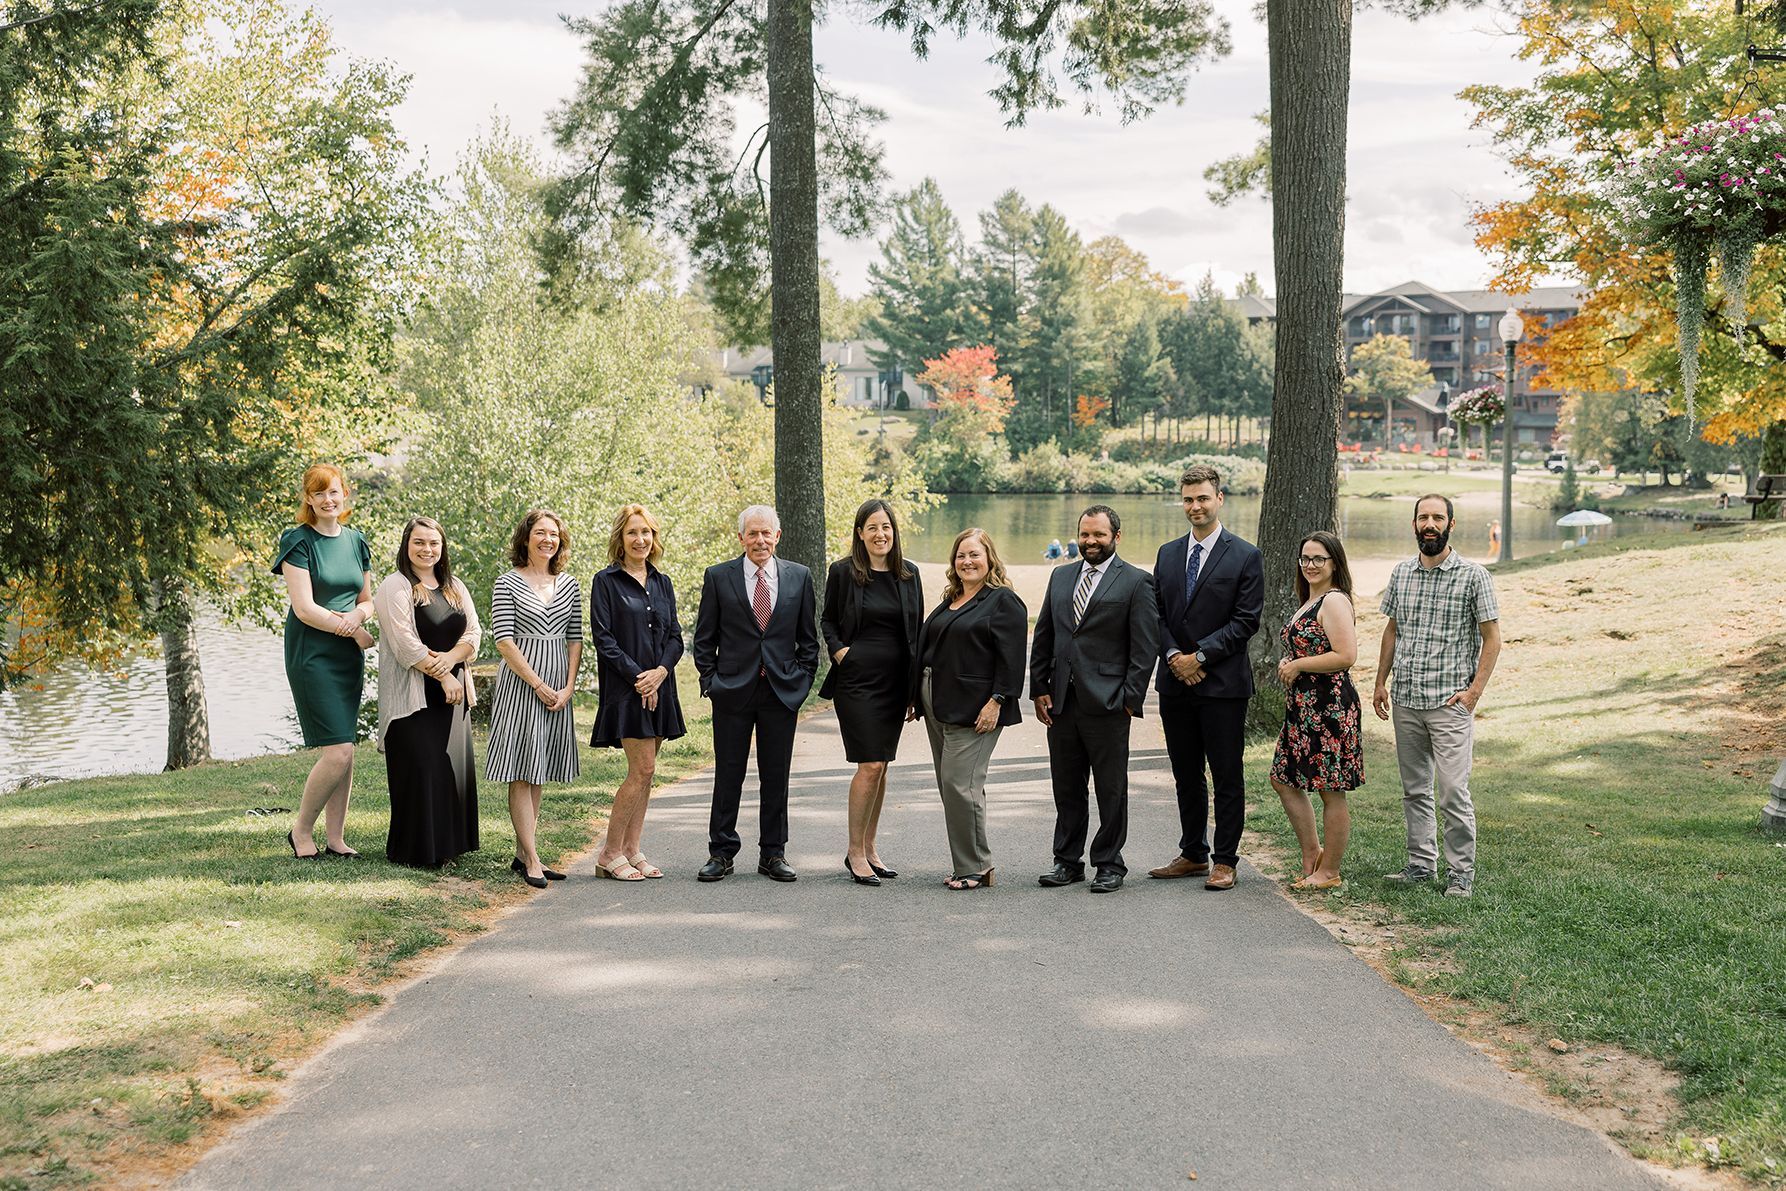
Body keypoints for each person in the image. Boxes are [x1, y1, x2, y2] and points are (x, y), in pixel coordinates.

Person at [1375, 494, 1502, 899]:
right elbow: (1392, 630)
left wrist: (1474, 693)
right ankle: (1420, 864)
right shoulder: (1401, 573)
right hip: (1407, 698)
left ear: (1451, 524)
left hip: (1449, 704)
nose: (1430, 524)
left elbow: (1492, 638)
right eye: (1423, 517)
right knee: (1414, 789)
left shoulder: (1473, 576)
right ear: (1414, 524)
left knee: (1451, 790)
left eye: (1437, 517)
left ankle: (1460, 873)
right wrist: (1381, 682)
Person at [1030, 505, 1158, 894]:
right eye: (1085, 535)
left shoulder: (1137, 582)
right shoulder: (1061, 576)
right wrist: (1039, 689)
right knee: (1066, 787)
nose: (1090, 542)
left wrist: (1129, 700)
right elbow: (1045, 636)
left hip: (1109, 703)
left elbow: (1145, 646)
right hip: (1062, 701)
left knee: (1110, 787)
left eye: (1099, 535)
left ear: (1116, 537)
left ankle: (1109, 863)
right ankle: (1067, 862)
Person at [1149, 464, 1264, 892]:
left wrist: (1200, 656)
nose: (1195, 506)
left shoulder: (1245, 555)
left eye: (1202, 498)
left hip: (1222, 684)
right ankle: (1193, 853)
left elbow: (1245, 621)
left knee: (1226, 773)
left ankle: (1225, 860)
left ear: (1219, 499)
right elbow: (1155, 614)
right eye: (1188, 499)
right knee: (1185, 772)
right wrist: (1176, 655)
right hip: (1175, 680)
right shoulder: (1167, 553)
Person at [692, 505, 819, 883]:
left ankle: (773, 853)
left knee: (775, 775)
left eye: (767, 534)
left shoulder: (799, 577)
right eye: (753, 534)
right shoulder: (718, 577)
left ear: (777, 537)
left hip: (781, 692)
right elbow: (704, 639)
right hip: (731, 691)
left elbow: (808, 642)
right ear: (741, 538)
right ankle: (721, 852)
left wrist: (801, 681)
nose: (760, 540)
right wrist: (712, 682)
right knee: (728, 773)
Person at [272, 464, 375, 860]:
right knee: (338, 751)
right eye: (319, 494)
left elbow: (366, 600)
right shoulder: (298, 541)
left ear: (344, 494)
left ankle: (336, 838)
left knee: (345, 747)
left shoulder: (356, 541)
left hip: (346, 655)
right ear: (308, 500)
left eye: (334, 492)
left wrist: (359, 620)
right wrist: (350, 629)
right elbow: (304, 609)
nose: (328, 500)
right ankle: (300, 831)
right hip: (312, 652)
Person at [915, 528, 1026, 890]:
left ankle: (977, 866)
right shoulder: (952, 598)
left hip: (976, 708)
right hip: (937, 701)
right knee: (952, 786)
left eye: (975, 555)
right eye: (961, 555)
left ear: (990, 558)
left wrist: (997, 701)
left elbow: (1012, 660)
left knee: (960, 784)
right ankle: (967, 862)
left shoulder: (1003, 601)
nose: (967, 561)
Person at [820, 499, 923, 887]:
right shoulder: (844, 572)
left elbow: (917, 633)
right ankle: (854, 851)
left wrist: (914, 688)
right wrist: (841, 652)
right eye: (873, 527)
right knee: (870, 764)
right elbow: (828, 619)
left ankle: (871, 847)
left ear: (894, 533)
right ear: (860, 533)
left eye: (887, 528)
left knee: (882, 766)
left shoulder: (909, 574)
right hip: (858, 683)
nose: (881, 534)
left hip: (896, 684)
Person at [374, 517, 482, 868]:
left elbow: (475, 635)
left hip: (452, 698)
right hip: (414, 699)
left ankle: (449, 847)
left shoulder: (454, 586)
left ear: (442, 547)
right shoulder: (396, 586)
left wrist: (452, 663)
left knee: (450, 769)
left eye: (434, 543)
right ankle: (417, 851)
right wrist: (444, 677)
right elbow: (405, 644)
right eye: (419, 542)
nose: (427, 549)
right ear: (407, 545)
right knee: (424, 768)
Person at [588, 504, 687, 881]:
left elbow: (676, 636)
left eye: (646, 532)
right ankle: (609, 852)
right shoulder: (606, 581)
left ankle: (632, 849)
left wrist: (660, 673)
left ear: (653, 538)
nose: (640, 539)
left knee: (648, 773)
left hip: (660, 687)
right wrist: (639, 678)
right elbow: (604, 639)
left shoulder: (662, 582)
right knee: (640, 769)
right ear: (621, 538)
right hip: (627, 690)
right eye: (633, 532)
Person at [486, 510, 582, 890]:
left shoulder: (570, 584)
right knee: (522, 769)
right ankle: (534, 858)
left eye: (554, 534)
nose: (548, 539)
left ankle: (524, 852)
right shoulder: (507, 583)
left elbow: (575, 637)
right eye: (540, 533)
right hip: (522, 684)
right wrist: (538, 684)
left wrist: (569, 685)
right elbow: (504, 641)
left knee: (539, 767)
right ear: (525, 538)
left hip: (559, 683)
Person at [1269, 531, 1362, 891]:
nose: (1309, 565)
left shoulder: (1334, 601)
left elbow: (1345, 656)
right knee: (1282, 778)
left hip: (1329, 708)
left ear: (1334, 563)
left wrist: (1299, 664)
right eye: (1305, 558)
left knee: (1330, 790)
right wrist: (1291, 661)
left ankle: (1330, 873)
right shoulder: (1311, 599)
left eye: (1318, 559)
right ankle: (1312, 856)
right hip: (1305, 706)